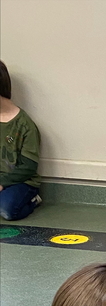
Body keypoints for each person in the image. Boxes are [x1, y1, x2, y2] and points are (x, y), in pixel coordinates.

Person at [0, 60, 42, 221]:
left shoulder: (25, 125)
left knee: (8, 211)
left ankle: (33, 200)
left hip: (20, 182)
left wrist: (2, 183)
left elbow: (28, 167)